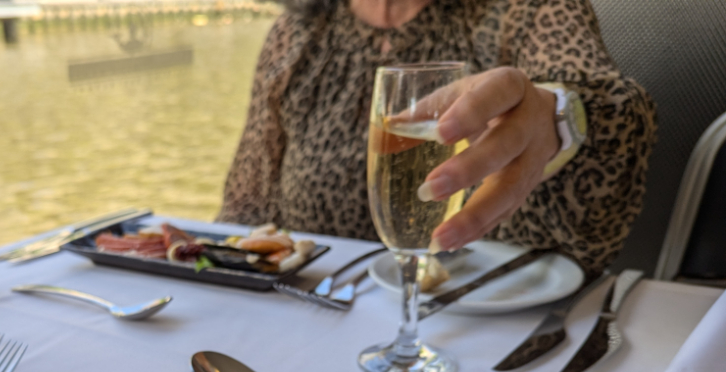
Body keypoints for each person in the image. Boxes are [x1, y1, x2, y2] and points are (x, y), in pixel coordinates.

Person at [217, 0, 657, 274]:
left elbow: (612, 111)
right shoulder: (294, 36)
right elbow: (248, 202)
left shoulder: (529, 9)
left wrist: (561, 116)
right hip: (323, 322)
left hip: (487, 342)